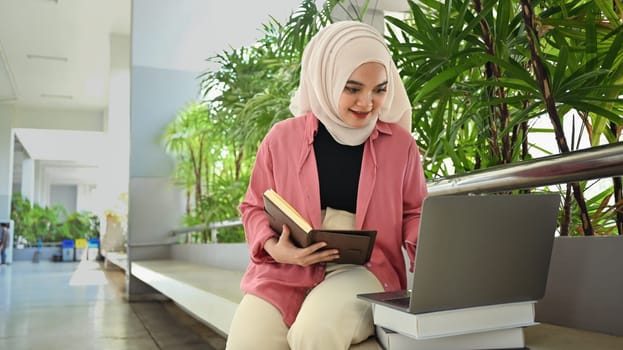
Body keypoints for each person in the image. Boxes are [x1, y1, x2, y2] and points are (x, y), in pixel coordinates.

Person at [226, 21, 428, 350]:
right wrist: (274, 247)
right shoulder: (282, 138)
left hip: (365, 268)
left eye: (379, 89)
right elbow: (252, 206)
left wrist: (430, 250)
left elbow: (415, 212)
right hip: (286, 267)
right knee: (246, 342)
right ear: (326, 79)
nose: (367, 102)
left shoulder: (400, 145)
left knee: (314, 334)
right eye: (353, 88)